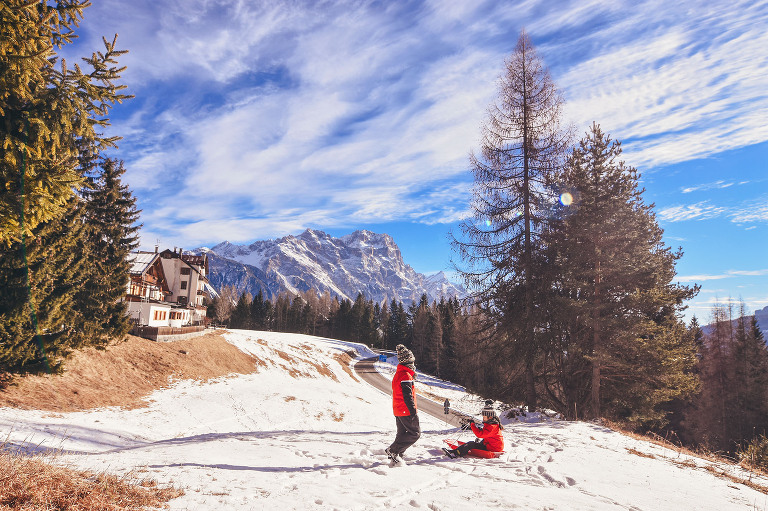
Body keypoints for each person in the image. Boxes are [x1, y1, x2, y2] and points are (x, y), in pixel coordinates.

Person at [385, 344, 420, 465]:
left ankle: (397, 455)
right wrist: (413, 411)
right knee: (415, 433)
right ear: (408, 362)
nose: (414, 364)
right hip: (406, 410)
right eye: (412, 361)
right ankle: (393, 450)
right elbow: (407, 395)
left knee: (402, 434)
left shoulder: (399, 373)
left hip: (398, 410)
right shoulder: (406, 375)